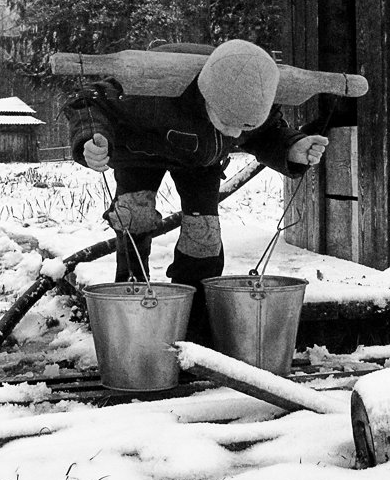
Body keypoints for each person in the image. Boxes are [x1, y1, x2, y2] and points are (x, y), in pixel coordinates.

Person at [63, 39, 329, 345]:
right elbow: (88, 102)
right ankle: (130, 306)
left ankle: (194, 323)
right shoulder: (148, 91)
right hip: (139, 149)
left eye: (243, 127)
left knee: (203, 234)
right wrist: (91, 139)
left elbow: (267, 133)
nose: (235, 134)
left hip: (201, 159)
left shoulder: (251, 92)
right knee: (134, 215)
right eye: (227, 122)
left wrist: (292, 147)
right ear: (206, 96)